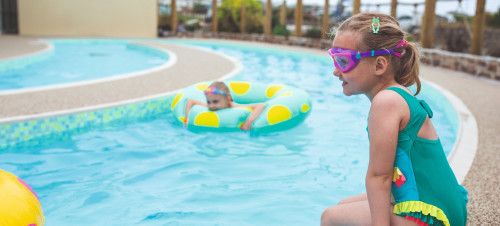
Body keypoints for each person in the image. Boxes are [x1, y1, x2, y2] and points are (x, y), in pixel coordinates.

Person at [321, 12, 468, 226]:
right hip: (443, 206)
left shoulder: (386, 101)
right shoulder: (399, 94)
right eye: (334, 59)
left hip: (435, 217)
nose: (336, 71)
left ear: (380, 65)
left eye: (343, 61)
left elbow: (379, 178)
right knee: (343, 205)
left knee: (330, 217)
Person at [184, 81, 265, 131]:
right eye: (208, 102)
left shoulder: (235, 107)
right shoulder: (210, 106)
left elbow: (260, 106)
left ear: (228, 99)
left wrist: (248, 123)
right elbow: (190, 101)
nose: (211, 105)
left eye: (215, 101)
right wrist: (186, 120)